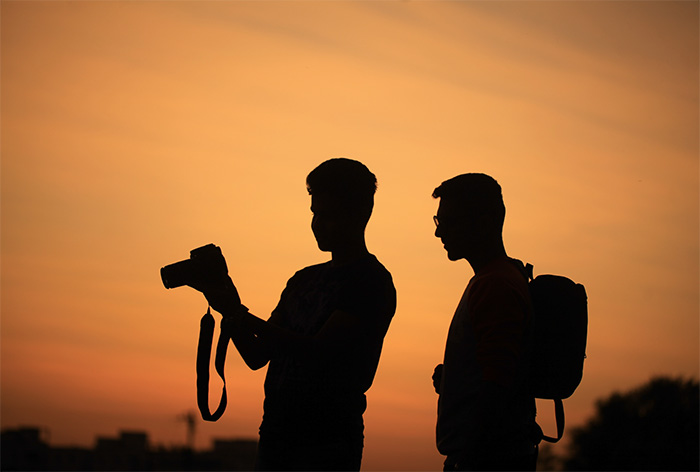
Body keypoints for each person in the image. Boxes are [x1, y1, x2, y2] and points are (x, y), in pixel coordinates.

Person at [196, 158, 396, 471]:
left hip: (327, 444)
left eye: (328, 215)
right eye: (315, 213)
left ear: (359, 214)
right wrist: (228, 306)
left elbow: (319, 353)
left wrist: (239, 314)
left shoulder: (370, 280)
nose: (318, 224)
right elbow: (257, 355)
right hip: (275, 436)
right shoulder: (303, 280)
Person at [431, 173, 538, 471]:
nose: (439, 233)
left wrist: (468, 459)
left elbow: (497, 383)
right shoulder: (500, 278)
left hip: (489, 460)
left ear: (484, 223)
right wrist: (455, 380)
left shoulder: (494, 285)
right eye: (438, 221)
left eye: (449, 222)